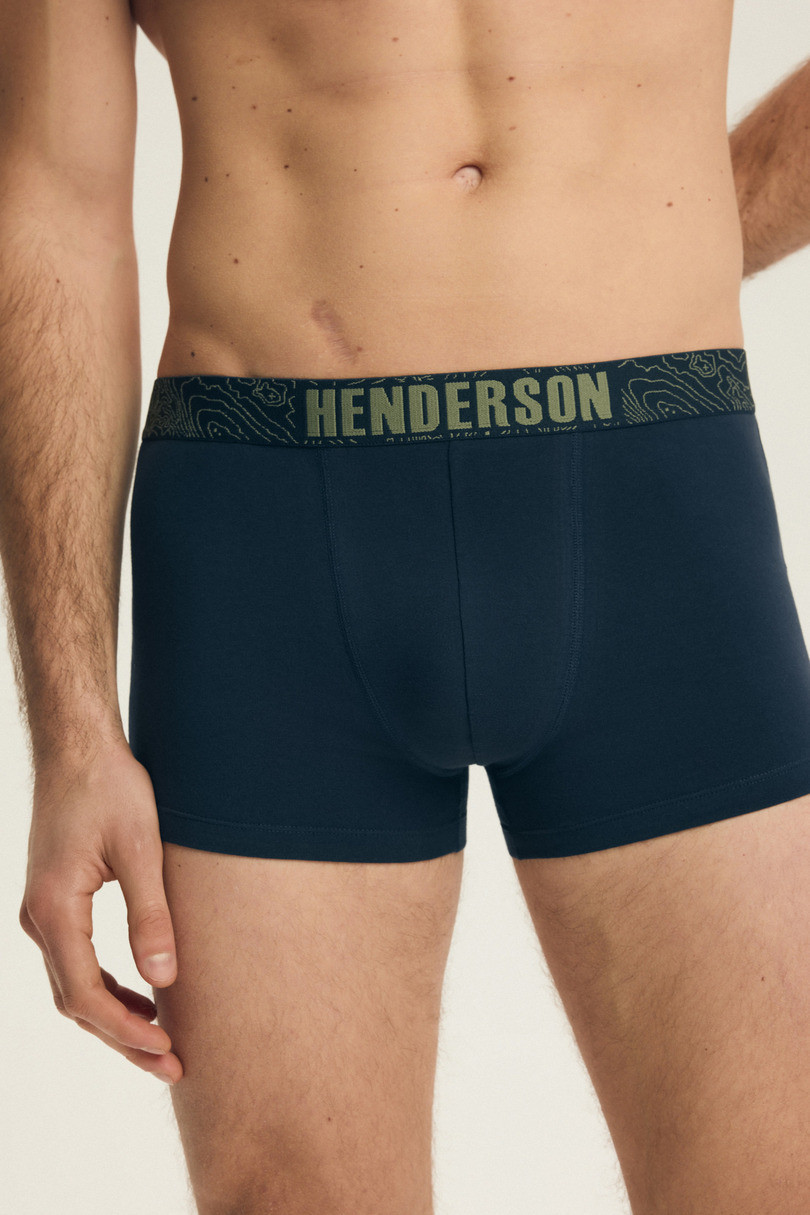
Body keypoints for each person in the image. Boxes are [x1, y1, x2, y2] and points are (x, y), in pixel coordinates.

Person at [2, 0, 810, 1211]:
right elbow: (52, 204)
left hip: (658, 505)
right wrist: (72, 736)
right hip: (266, 540)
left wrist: (662, 238)